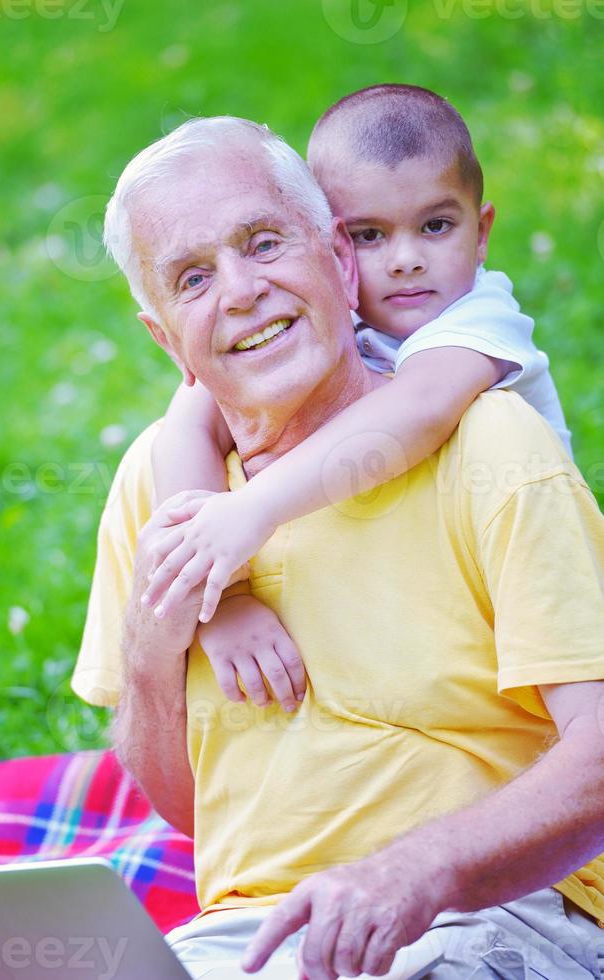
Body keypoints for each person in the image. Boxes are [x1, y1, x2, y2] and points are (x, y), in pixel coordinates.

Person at [72, 115, 604, 979]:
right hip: (253, 939)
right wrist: (154, 644)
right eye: (194, 277)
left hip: (489, 915)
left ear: (337, 257)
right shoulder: (158, 486)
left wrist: (413, 875)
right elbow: (188, 810)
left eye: (264, 242)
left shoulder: (487, 440)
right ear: (167, 338)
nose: (241, 291)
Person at [139, 86, 573, 714]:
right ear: (332, 246)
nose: (405, 261)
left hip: (521, 578)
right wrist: (223, 594)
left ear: (481, 235)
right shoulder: (330, 321)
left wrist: (252, 510)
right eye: (370, 235)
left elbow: (419, 409)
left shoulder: (480, 318)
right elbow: (187, 422)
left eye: (436, 226)